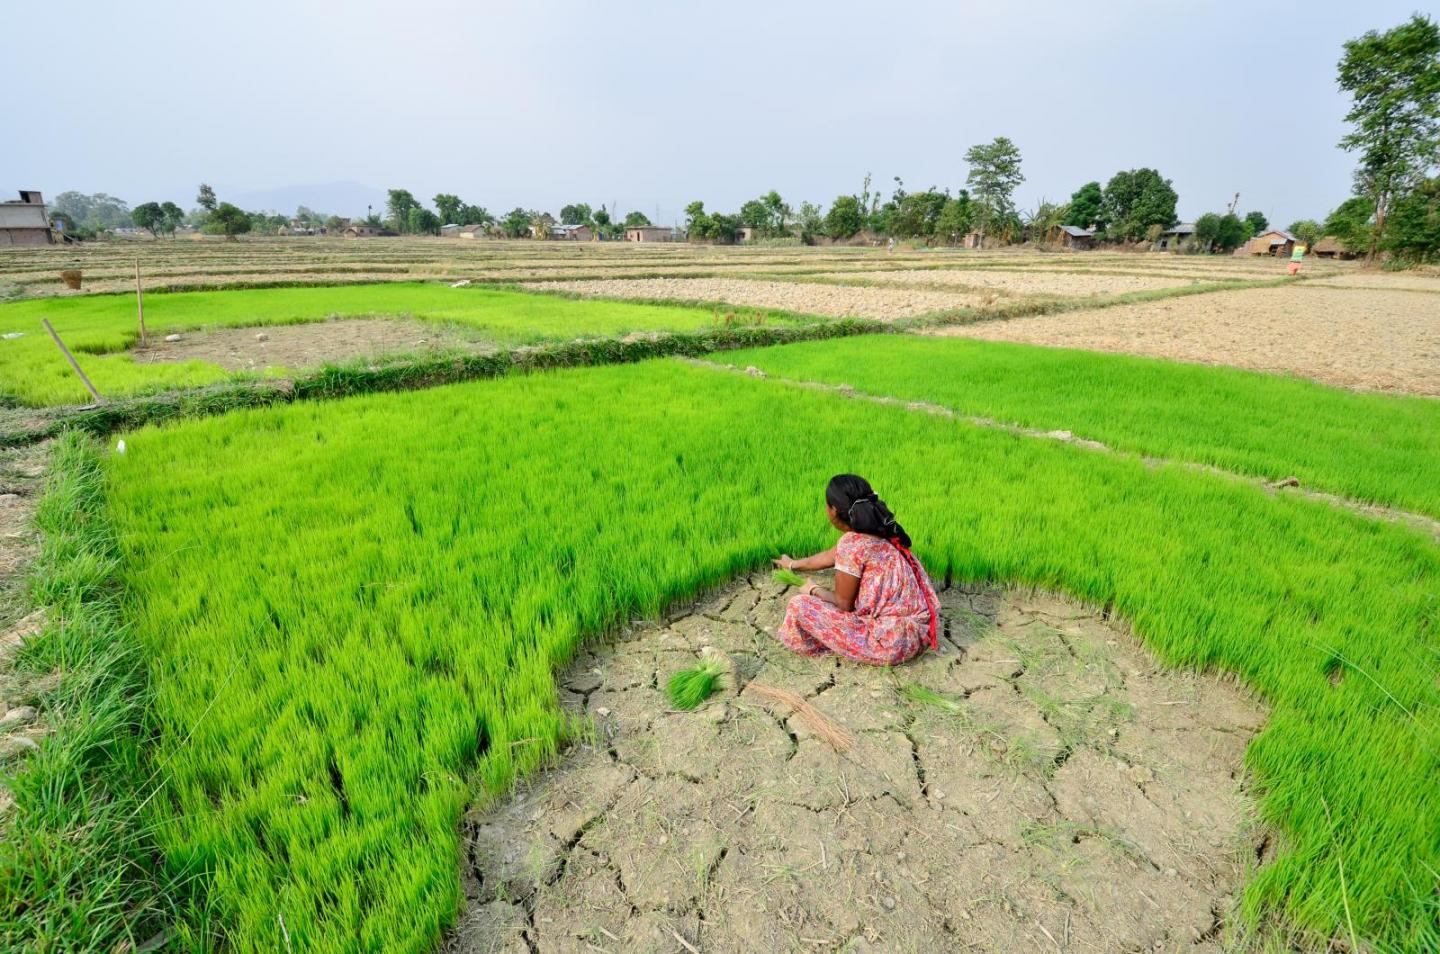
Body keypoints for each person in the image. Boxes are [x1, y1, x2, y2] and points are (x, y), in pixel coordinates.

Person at [773, 474, 939, 666]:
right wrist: (793, 564)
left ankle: (835, 646)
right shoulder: (881, 529)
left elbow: (844, 604)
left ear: (833, 510)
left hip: (890, 644)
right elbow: (830, 556)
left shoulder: (852, 544)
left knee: (798, 606)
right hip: (919, 634)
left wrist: (813, 589)